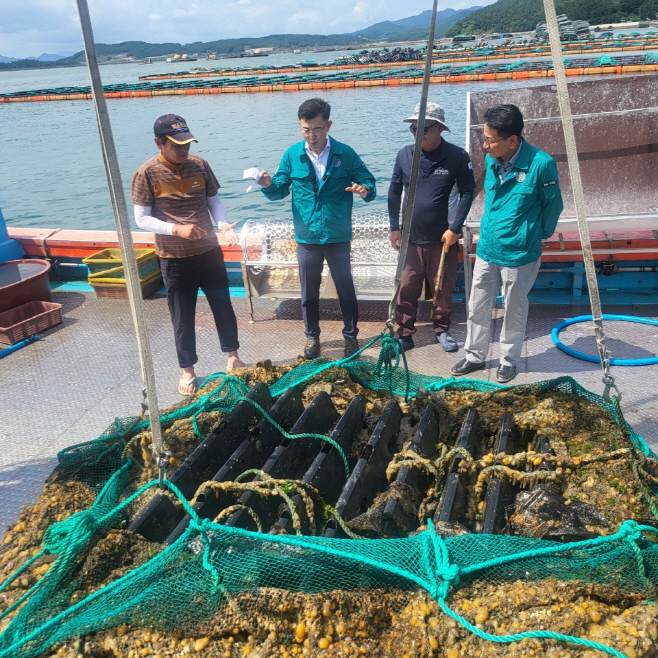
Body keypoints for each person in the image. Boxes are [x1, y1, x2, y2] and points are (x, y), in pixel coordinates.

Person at [132, 114, 244, 396]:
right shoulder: (145, 173)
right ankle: (188, 370)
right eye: (177, 145)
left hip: (209, 251)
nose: (184, 150)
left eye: (187, 143)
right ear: (159, 142)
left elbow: (214, 201)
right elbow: (141, 219)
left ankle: (232, 357)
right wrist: (175, 229)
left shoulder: (200, 165)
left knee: (223, 306)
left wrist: (222, 225)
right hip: (174, 258)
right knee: (182, 317)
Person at [451, 104, 563, 383]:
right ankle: (474, 355)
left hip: (520, 253)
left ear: (512, 141)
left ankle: (508, 359)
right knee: (477, 305)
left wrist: (535, 235)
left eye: (489, 140)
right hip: (488, 248)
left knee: (514, 308)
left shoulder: (541, 164)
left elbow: (553, 207)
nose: (485, 145)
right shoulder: (493, 159)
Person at [258, 98, 377, 359]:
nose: (312, 136)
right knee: (308, 293)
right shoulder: (292, 155)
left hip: (337, 235)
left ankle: (351, 337)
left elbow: (369, 182)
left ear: (328, 125)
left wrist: (364, 189)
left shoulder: (345, 154)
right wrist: (267, 184)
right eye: (306, 129)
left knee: (346, 290)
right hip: (307, 237)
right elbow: (278, 189)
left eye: (317, 129)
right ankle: (312, 338)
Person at [389, 102, 475, 354]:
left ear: (440, 129)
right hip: (410, 238)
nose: (418, 134)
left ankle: (442, 328)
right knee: (406, 287)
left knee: (442, 287)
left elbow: (468, 192)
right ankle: (404, 334)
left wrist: (455, 228)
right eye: (414, 129)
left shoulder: (457, 156)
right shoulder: (404, 155)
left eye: (424, 129)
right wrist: (395, 227)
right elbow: (394, 191)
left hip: (443, 237)